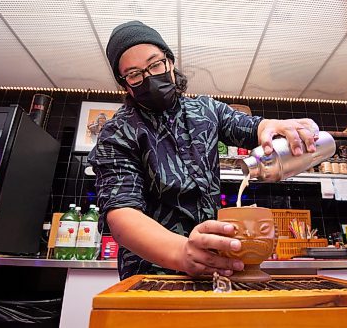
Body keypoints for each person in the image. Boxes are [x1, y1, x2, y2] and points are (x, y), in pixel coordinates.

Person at [88, 21, 319, 280]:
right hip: (152, 275)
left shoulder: (207, 110)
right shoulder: (117, 132)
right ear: (125, 84)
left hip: (215, 267)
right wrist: (181, 252)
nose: (149, 78)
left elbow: (250, 126)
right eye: (134, 74)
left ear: (170, 62)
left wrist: (271, 126)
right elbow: (121, 214)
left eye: (155, 65)